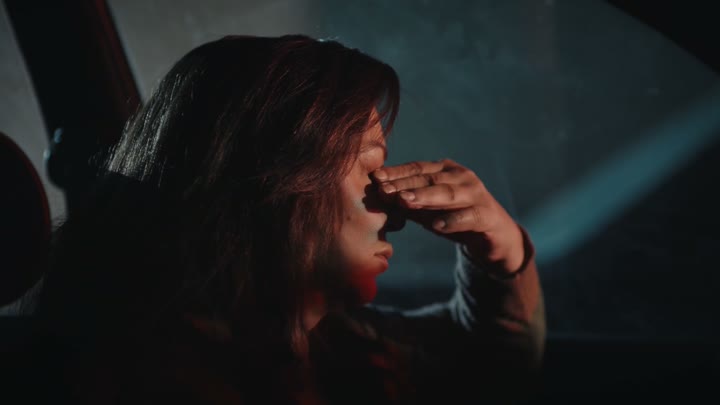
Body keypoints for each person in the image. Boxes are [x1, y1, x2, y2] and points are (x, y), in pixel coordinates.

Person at [32, 34, 545, 404]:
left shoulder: (318, 342)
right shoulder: (151, 381)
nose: (394, 211)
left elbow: (481, 364)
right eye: (369, 166)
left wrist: (499, 251)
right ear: (270, 182)